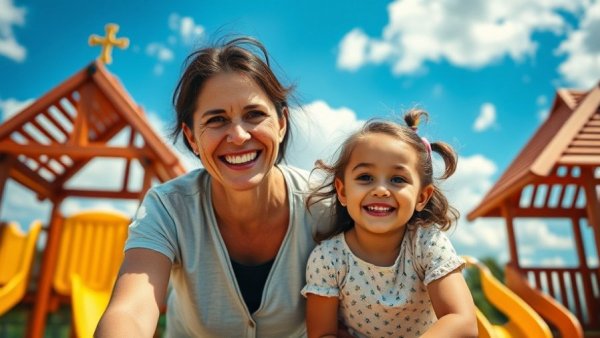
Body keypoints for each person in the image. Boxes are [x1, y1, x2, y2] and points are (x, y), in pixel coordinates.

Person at [95, 37, 332, 337]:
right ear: (191, 137)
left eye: (254, 115)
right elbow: (131, 310)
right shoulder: (168, 208)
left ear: (282, 123)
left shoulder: (324, 205)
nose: (238, 135)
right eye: (217, 120)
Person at [301, 110, 478, 338]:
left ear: (421, 197)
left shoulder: (426, 243)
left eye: (398, 179)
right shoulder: (327, 259)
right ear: (343, 191)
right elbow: (323, 334)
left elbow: (462, 322)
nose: (381, 190)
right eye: (365, 177)